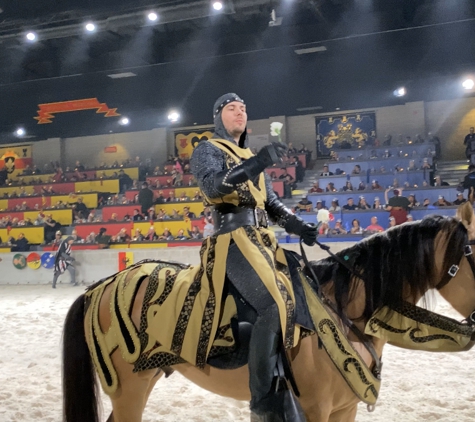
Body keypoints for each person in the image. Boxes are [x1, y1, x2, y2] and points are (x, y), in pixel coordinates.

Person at [190, 93, 316, 421]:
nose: (240, 113)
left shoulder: (246, 153)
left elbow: (270, 203)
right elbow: (213, 188)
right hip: (230, 240)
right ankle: (263, 402)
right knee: (272, 306)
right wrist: (257, 162)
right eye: (232, 109)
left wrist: (299, 225)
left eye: (244, 109)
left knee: (307, 290)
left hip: (261, 240)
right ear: (218, 116)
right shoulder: (208, 150)